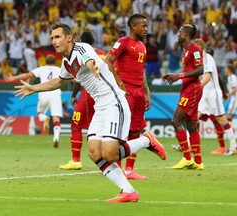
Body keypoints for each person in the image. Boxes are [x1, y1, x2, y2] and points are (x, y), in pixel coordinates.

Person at [14, 22, 167, 202]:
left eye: (58, 37)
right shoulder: (66, 62)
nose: (54, 41)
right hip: (100, 108)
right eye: (52, 38)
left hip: (113, 101)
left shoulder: (81, 48)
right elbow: (59, 82)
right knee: (94, 153)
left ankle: (146, 140)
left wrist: (93, 66)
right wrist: (33, 89)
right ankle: (128, 191)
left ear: (69, 38)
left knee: (110, 154)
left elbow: (89, 60)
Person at [104, 14, 150, 180]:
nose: (146, 29)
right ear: (133, 27)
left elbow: (142, 70)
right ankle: (119, 169)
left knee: (136, 129)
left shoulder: (142, 46)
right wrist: (119, 83)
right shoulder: (123, 42)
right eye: (143, 26)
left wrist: (147, 92)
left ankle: (130, 170)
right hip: (126, 91)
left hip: (138, 92)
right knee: (123, 130)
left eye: (146, 26)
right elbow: (108, 61)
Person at [60, 31, 105, 170]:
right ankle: (105, 156)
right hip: (104, 93)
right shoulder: (103, 53)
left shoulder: (80, 52)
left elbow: (79, 76)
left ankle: (75, 160)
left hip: (88, 94)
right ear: (94, 41)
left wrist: (74, 95)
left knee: (76, 125)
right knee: (102, 128)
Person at [162, 23, 204, 170]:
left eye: (180, 32)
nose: (178, 35)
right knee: (191, 125)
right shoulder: (186, 50)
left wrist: (179, 75)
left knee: (176, 121)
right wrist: (173, 76)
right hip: (188, 89)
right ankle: (198, 161)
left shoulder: (195, 49)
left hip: (192, 90)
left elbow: (200, 70)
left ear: (186, 34)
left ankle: (187, 157)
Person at [4, 54, 63, 148]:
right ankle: (56, 138)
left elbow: (28, 75)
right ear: (55, 61)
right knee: (56, 118)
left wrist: (13, 78)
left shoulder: (42, 69)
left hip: (43, 92)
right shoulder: (59, 69)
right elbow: (70, 79)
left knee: (40, 113)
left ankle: (45, 118)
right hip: (56, 93)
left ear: (45, 61)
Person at [194, 39, 237, 156]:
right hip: (204, 94)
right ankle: (188, 146)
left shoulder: (208, 58)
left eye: (194, 48)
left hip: (213, 94)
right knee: (194, 117)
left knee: (222, 120)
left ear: (199, 48)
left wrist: (196, 87)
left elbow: (207, 78)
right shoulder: (200, 60)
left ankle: (233, 146)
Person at [224, 63, 237, 155]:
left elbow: (235, 88)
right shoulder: (231, 77)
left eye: (226, 68)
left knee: (227, 120)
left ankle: (233, 146)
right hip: (233, 99)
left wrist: (228, 95)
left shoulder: (232, 77)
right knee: (228, 120)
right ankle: (233, 144)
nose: (225, 70)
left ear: (229, 70)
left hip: (235, 100)